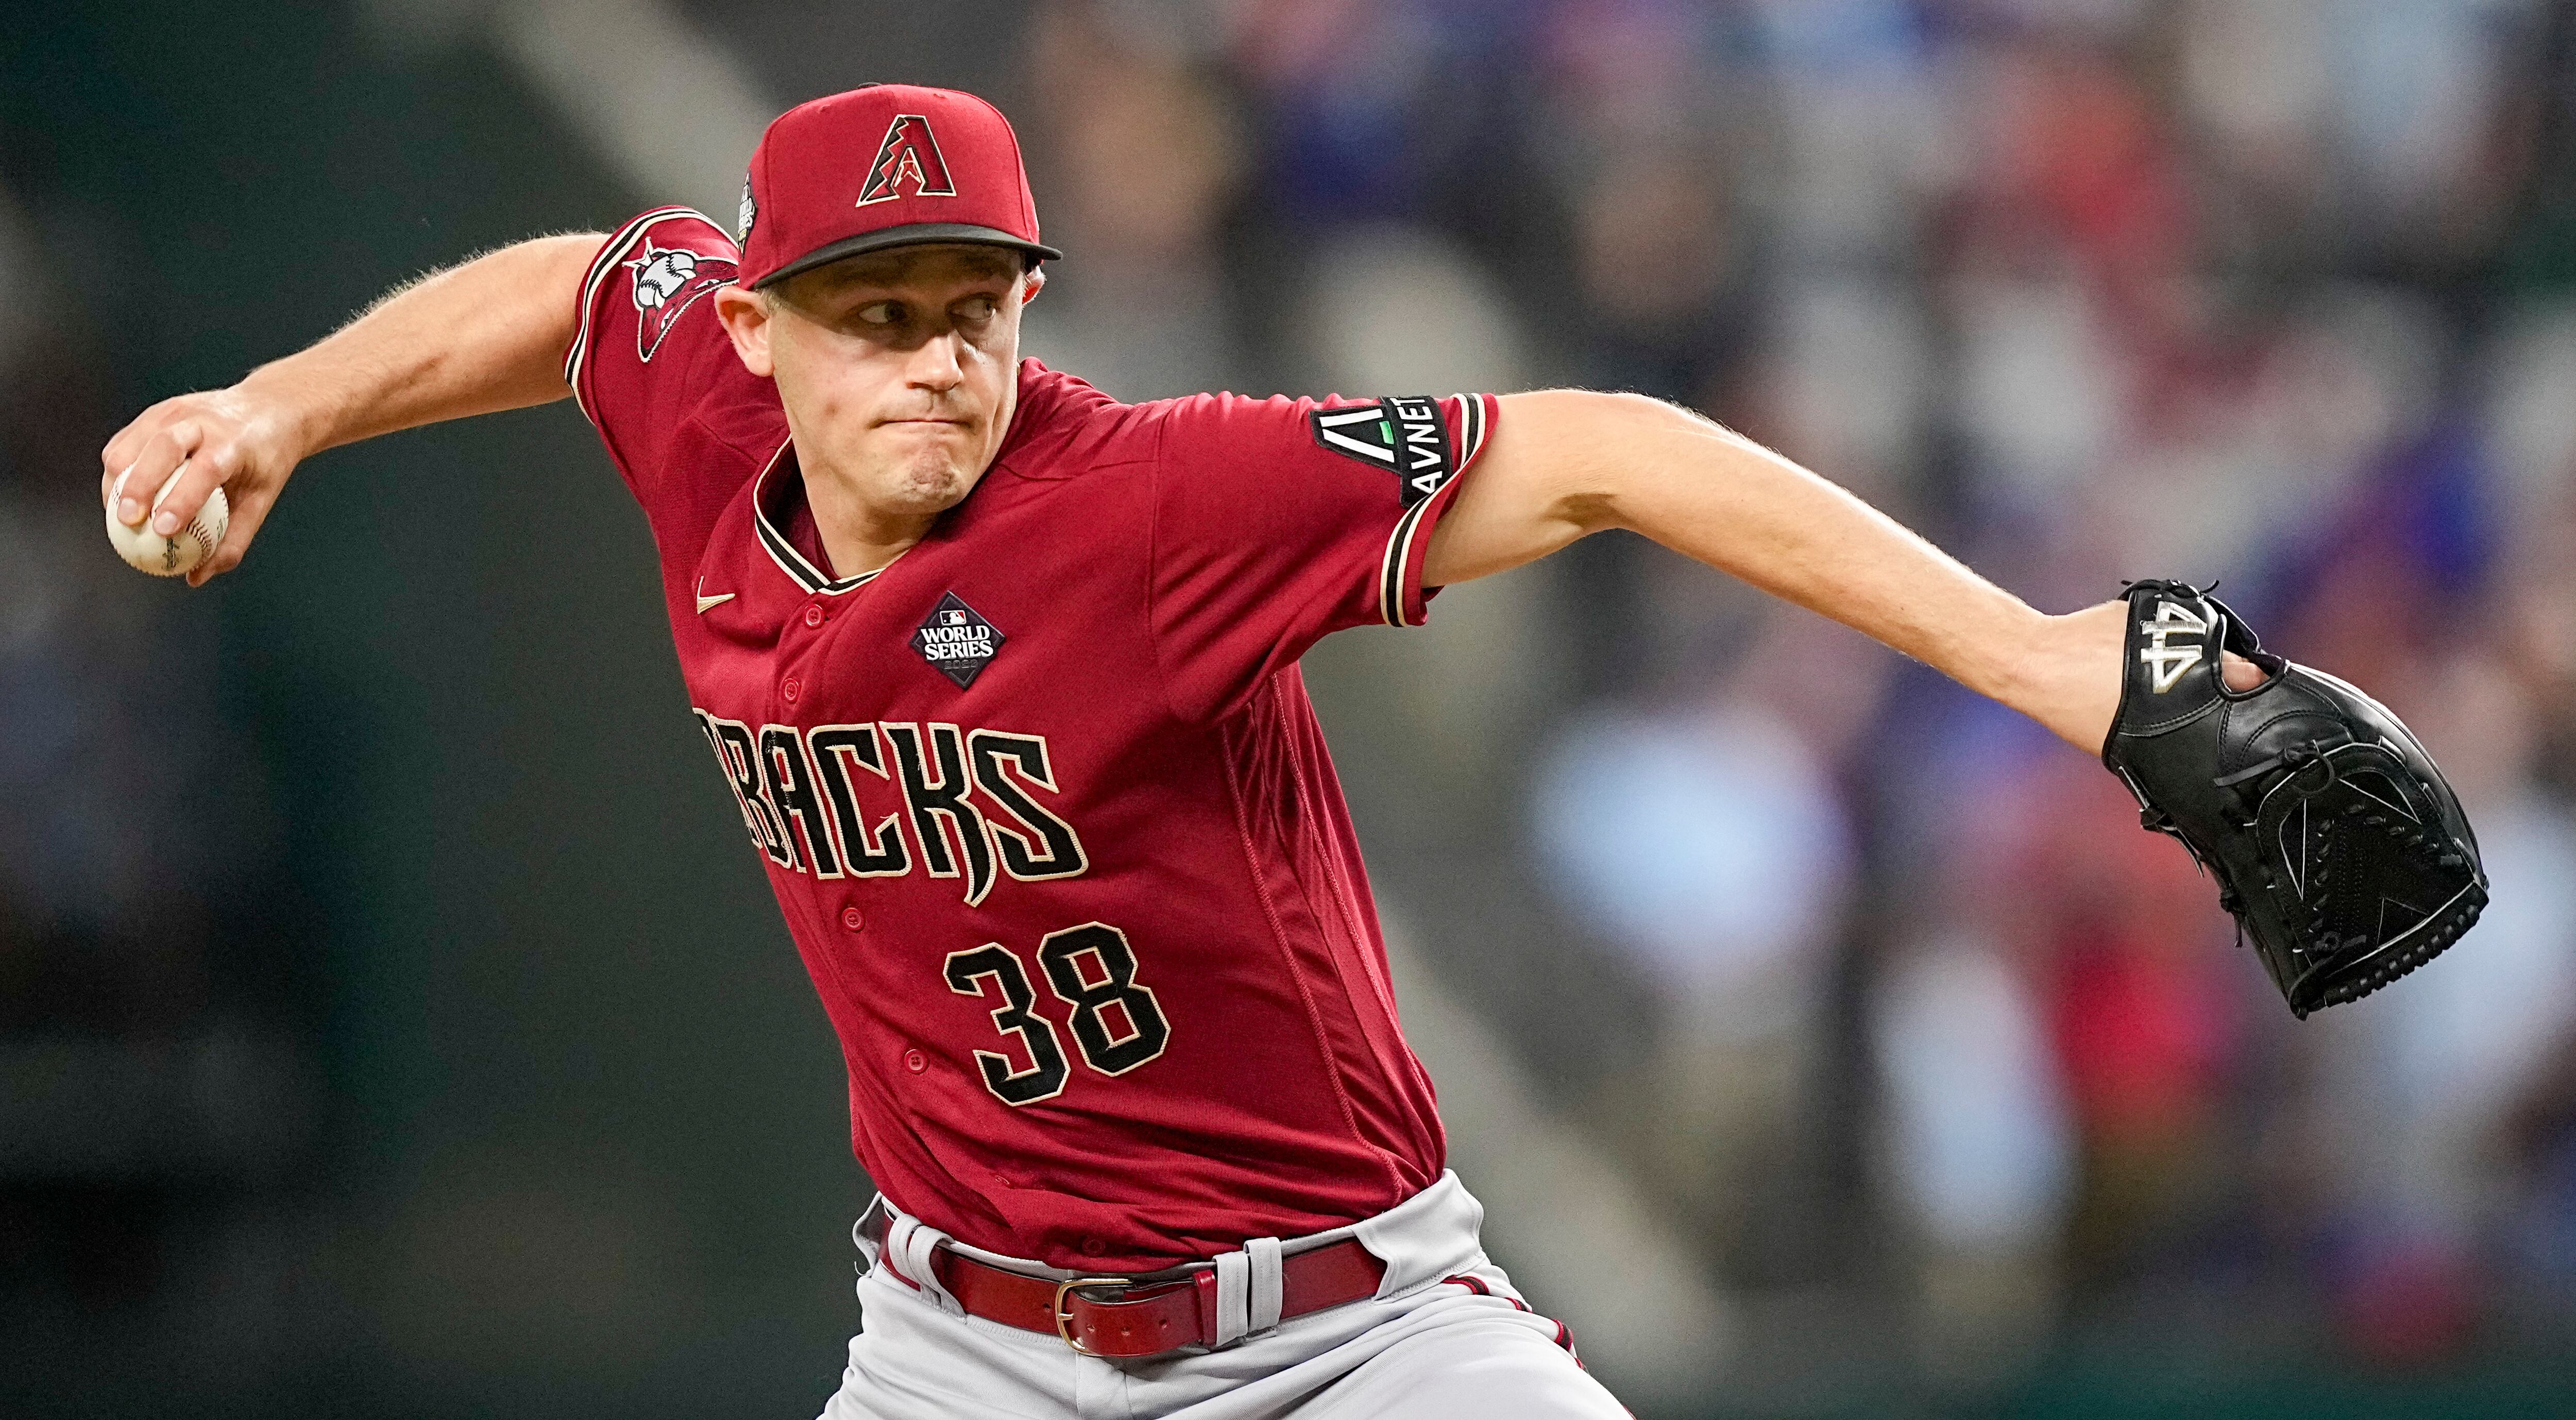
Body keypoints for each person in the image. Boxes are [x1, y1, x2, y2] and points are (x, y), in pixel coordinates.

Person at [99, 83, 2239, 1417]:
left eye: (973, 300)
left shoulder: (1143, 499)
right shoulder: (691, 388)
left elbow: (1605, 456)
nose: (934, 355)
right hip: (961, 1348)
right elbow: (582, 283)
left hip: (1346, 1341)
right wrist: (280, 406)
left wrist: (2036, 654)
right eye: (872, 306)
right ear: (753, 330)